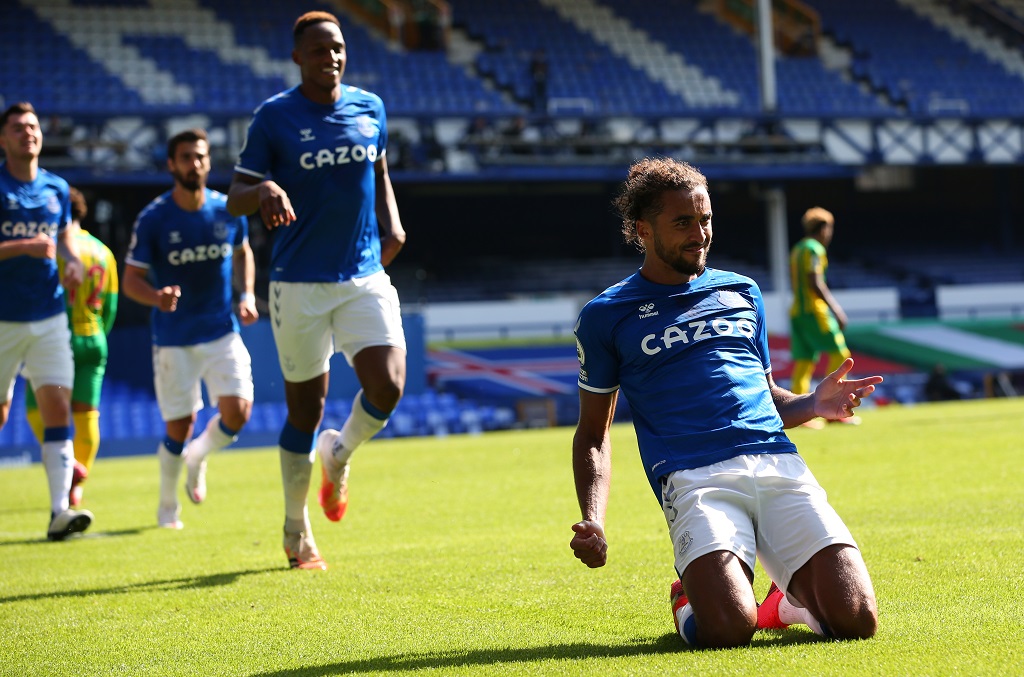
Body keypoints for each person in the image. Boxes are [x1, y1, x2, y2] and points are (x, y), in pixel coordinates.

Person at [570, 158, 880, 649]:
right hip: (694, 478)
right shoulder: (606, 315)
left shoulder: (741, 291)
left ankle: (790, 602)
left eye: (706, 219)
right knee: (729, 629)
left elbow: (767, 399)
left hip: (779, 464)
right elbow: (593, 434)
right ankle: (688, 598)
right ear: (641, 230)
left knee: (857, 620)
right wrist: (594, 517)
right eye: (683, 223)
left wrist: (814, 403)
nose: (700, 234)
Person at [227, 11, 407, 571]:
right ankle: (295, 531)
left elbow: (379, 177)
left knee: (389, 383)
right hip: (299, 286)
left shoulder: (370, 107)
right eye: (319, 49)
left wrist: (393, 226)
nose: (330, 56)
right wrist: (265, 190)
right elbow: (233, 194)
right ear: (297, 58)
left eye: (338, 47)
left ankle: (340, 452)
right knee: (304, 412)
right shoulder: (274, 118)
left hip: (362, 274)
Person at [124, 128, 257, 530]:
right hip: (174, 339)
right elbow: (130, 280)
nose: (194, 164)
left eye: (200, 157)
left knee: (239, 412)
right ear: (171, 164)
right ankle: (167, 507)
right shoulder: (154, 218)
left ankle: (198, 456)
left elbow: (243, 252)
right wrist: (156, 297)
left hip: (220, 329)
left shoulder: (226, 209)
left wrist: (247, 293)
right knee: (178, 426)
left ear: (208, 161)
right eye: (185, 157)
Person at [0, 102, 89, 540]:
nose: (27, 133)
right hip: (2, 319)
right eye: (17, 128)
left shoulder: (56, 187)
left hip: (51, 316)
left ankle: (59, 512)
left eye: (32, 126)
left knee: (57, 406)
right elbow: (37, 244)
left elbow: (65, 237)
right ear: (3, 139)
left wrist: (72, 262)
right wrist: (22, 248)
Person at [24, 186, 119, 507]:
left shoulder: (53, 248)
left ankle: (70, 468)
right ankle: (79, 480)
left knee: (37, 408)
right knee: (87, 413)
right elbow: (111, 306)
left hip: (52, 337)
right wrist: (97, 334)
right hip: (92, 337)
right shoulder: (103, 252)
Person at [788, 206, 856, 427]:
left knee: (804, 361)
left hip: (797, 312)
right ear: (824, 228)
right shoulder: (814, 248)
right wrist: (835, 308)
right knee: (840, 354)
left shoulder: (798, 248)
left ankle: (798, 415)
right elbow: (814, 281)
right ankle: (834, 408)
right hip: (814, 312)